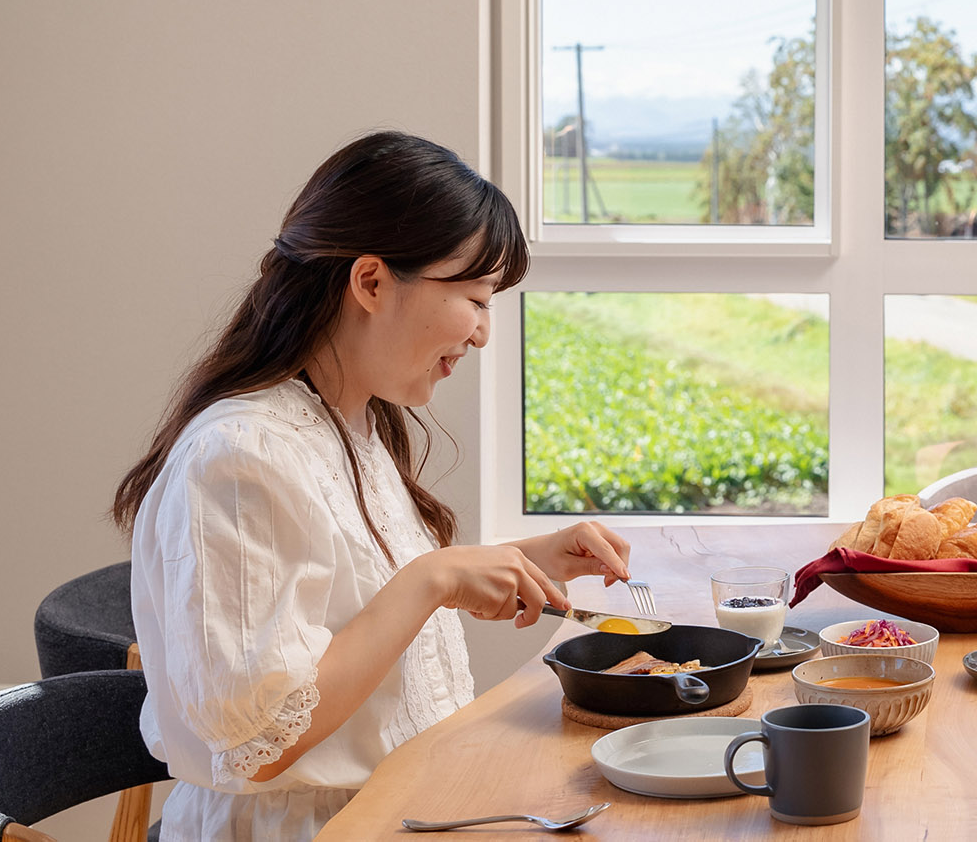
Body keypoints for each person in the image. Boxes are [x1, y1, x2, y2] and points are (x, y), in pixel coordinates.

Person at [111, 131, 632, 840]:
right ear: (372, 281)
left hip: (400, 811)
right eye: (475, 298)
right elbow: (260, 740)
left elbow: (349, 603)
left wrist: (520, 558)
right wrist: (435, 577)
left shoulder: (351, 423)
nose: (482, 333)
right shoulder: (237, 458)